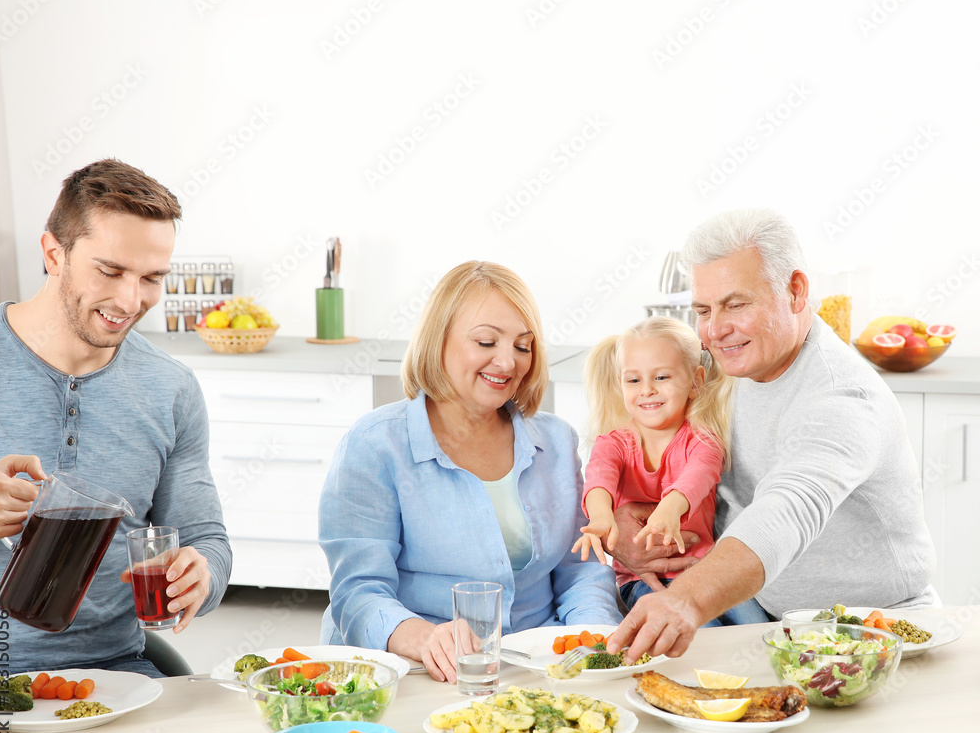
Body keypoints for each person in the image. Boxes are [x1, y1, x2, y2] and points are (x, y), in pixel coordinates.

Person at [608, 208, 937, 661]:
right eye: (703, 310)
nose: (715, 330)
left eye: (736, 304)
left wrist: (686, 598)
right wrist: (629, 516)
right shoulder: (734, 365)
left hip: (872, 639)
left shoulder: (841, 398)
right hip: (771, 626)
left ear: (796, 291)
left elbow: (786, 511)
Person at [0, 159, 231, 677]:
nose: (130, 299)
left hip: (117, 674)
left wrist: (200, 576)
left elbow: (207, 540)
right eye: (110, 271)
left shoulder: (171, 389)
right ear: (54, 253)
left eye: (151, 278)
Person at [319, 260, 623, 682]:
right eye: (486, 341)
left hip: (542, 667)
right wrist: (423, 638)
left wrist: (589, 636)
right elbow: (358, 593)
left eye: (522, 346)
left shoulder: (556, 441)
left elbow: (582, 570)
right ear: (437, 340)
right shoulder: (374, 445)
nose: (507, 362)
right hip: (419, 670)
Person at [571, 317, 764, 625]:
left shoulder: (702, 439)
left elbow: (700, 474)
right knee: (703, 633)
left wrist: (670, 509)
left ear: (695, 381)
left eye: (661, 377)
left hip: (705, 570)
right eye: (633, 380)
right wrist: (600, 517)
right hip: (645, 579)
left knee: (757, 627)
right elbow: (599, 479)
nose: (646, 390)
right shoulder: (614, 443)